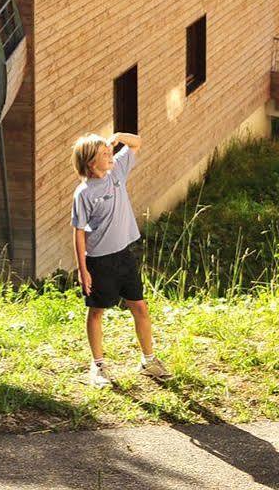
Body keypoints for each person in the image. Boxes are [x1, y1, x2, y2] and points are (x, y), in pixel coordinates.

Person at [70, 131, 169, 387]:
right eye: (104, 154)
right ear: (91, 163)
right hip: (100, 261)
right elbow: (79, 233)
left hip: (124, 255)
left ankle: (148, 361)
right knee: (97, 312)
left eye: (109, 151)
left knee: (140, 307)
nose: (110, 155)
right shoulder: (83, 193)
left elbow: (137, 142)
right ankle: (98, 366)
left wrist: (117, 137)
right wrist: (83, 270)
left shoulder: (116, 173)